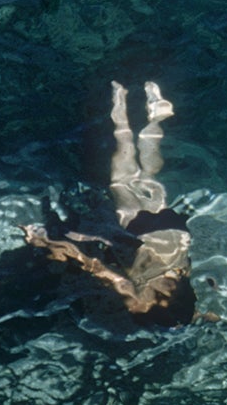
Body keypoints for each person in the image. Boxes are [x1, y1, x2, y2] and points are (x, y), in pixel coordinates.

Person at [21, 81, 197, 326]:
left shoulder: (184, 296)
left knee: (148, 178)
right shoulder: (140, 302)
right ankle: (120, 108)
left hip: (175, 236)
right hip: (144, 237)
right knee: (121, 179)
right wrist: (46, 240)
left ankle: (156, 120)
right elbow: (97, 268)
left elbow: (196, 313)